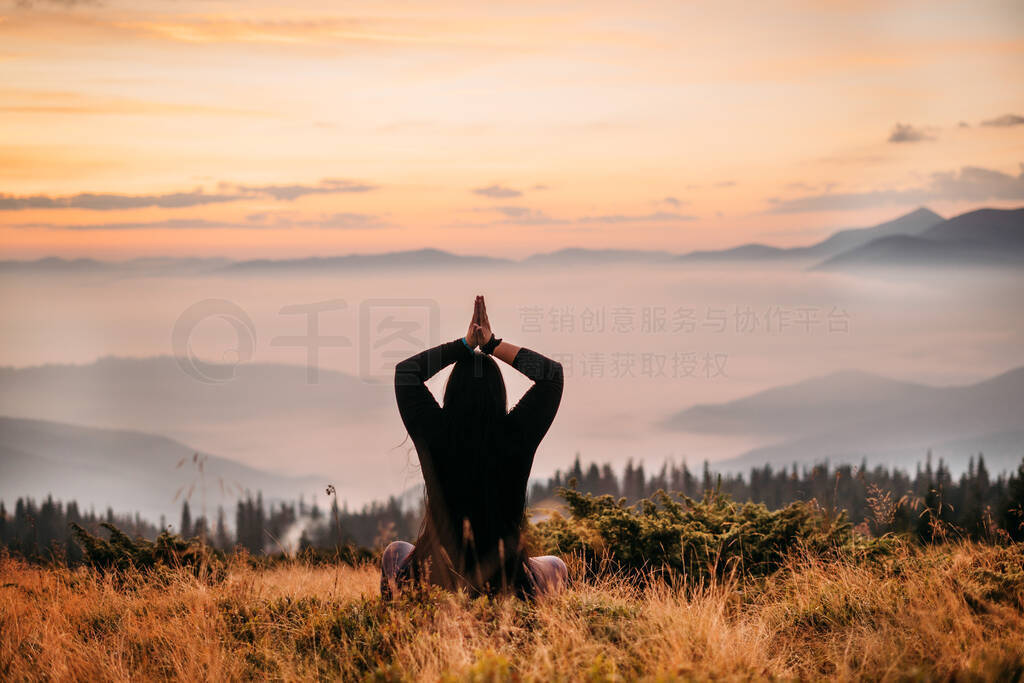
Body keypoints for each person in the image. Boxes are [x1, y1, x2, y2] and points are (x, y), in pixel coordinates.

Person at [381, 295, 568, 600]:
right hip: (510, 582)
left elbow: (406, 373)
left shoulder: (436, 433)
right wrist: (492, 344)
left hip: (434, 578)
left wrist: (464, 346)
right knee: (555, 565)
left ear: (451, 394)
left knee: (395, 552)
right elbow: (551, 375)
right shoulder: (515, 434)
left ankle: (396, 615)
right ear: (499, 394)